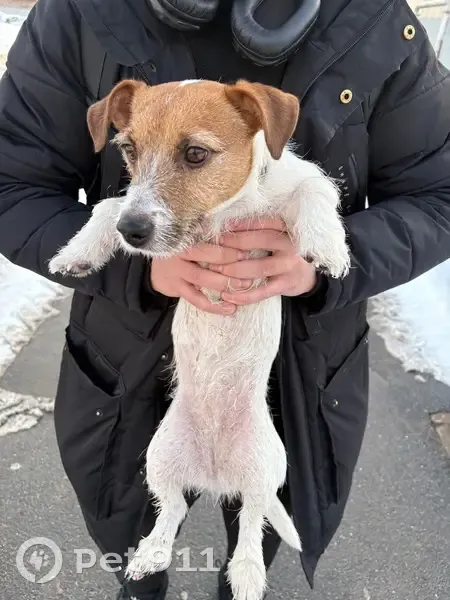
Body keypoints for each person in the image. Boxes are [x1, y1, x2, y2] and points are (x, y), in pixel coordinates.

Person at [1, 0, 450, 598]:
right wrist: (137, 274)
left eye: (194, 155)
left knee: (255, 525)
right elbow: (14, 185)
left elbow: (437, 194)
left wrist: (326, 265)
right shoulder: (77, 13)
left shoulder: (374, 15)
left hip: (300, 374)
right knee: (132, 543)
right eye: (130, 151)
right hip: (121, 362)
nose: (143, 193)